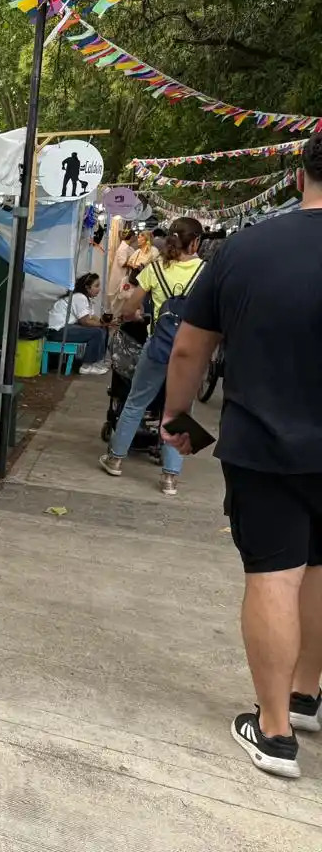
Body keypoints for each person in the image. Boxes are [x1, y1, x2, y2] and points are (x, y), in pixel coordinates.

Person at [159, 132, 322, 779]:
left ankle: (276, 730)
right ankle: (307, 694)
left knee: (277, 574)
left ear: (297, 175)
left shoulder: (247, 249)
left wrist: (176, 418)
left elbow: (188, 350)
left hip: (266, 443)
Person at [99, 216, 205, 495]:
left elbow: (130, 305)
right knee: (180, 411)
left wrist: (136, 315)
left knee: (135, 402)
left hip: (158, 347)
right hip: (190, 354)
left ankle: (116, 459)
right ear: (195, 242)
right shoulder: (206, 272)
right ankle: (170, 477)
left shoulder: (154, 269)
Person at [46, 272, 109, 374]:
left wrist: (106, 322)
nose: (99, 289)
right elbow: (85, 321)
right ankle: (87, 365)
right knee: (96, 332)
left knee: (102, 329)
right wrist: (102, 324)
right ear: (87, 287)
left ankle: (97, 361)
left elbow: (92, 317)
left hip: (65, 328)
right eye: (96, 286)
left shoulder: (85, 299)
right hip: (57, 332)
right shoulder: (79, 297)